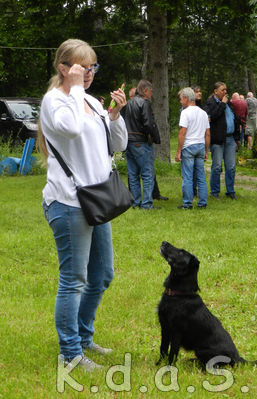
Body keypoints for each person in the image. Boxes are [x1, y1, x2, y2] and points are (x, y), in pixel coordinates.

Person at [38, 39, 128, 371]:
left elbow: (116, 145)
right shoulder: (56, 101)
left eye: (92, 67)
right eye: (81, 67)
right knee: (74, 279)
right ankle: (70, 353)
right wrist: (75, 88)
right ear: (64, 68)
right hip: (68, 202)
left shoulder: (89, 99)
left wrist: (115, 115)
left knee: (102, 275)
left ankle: (83, 337)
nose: (88, 73)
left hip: (96, 200)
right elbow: (72, 129)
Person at [125, 86, 168, 201]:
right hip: (140, 141)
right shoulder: (144, 103)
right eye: (151, 91)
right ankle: (147, 203)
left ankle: (135, 201)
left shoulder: (127, 104)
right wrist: (154, 137)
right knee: (147, 173)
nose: (151, 94)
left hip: (128, 141)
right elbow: (148, 123)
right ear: (145, 90)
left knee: (133, 174)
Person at [204, 82, 240, 200]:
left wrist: (237, 138)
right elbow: (212, 116)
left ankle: (230, 191)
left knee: (231, 166)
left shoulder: (229, 104)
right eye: (222, 90)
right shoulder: (210, 103)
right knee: (217, 166)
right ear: (215, 91)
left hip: (230, 139)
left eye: (226, 90)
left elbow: (235, 120)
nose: (225, 92)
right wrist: (222, 104)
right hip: (218, 140)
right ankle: (214, 192)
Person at [175, 87, 210, 209]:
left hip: (188, 147)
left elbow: (182, 132)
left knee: (188, 176)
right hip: (200, 146)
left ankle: (187, 203)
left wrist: (179, 151)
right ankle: (202, 203)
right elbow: (207, 134)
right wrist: (206, 150)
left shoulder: (185, 112)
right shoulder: (203, 113)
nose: (180, 102)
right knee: (201, 177)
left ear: (186, 98)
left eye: (181, 99)